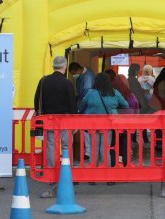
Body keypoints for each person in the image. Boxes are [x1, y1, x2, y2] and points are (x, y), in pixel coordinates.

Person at [34, 56, 77, 198]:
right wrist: (74, 121)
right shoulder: (67, 84)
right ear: (64, 67)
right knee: (66, 147)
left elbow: (36, 101)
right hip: (64, 121)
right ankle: (66, 174)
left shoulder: (43, 81)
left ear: (53, 66)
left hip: (47, 121)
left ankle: (52, 174)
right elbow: (72, 105)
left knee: (50, 146)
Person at [79, 73, 128, 168]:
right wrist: (113, 109)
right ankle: (107, 176)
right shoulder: (114, 92)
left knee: (94, 150)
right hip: (108, 125)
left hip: (92, 125)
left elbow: (81, 106)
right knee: (105, 150)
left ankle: (92, 176)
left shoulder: (90, 93)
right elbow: (125, 105)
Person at [69, 62, 95, 161]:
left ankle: (89, 152)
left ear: (79, 70)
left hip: (88, 105)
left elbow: (86, 94)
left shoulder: (88, 77)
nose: (74, 76)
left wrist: (79, 108)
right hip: (83, 103)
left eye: (74, 73)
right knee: (85, 129)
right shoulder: (83, 73)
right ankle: (88, 151)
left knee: (87, 129)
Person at [112, 74, 139, 166]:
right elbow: (136, 111)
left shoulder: (112, 95)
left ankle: (114, 165)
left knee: (114, 146)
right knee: (126, 146)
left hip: (114, 125)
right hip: (128, 126)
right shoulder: (132, 96)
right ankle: (126, 165)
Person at [128, 63, 151, 144]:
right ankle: (145, 140)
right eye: (137, 70)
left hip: (134, 103)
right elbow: (138, 91)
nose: (138, 71)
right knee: (142, 121)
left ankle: (134, 139)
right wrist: (146, 91)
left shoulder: (130, 79)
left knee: (135, 122)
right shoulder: (133, 80)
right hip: (138, 103)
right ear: (134, 70)